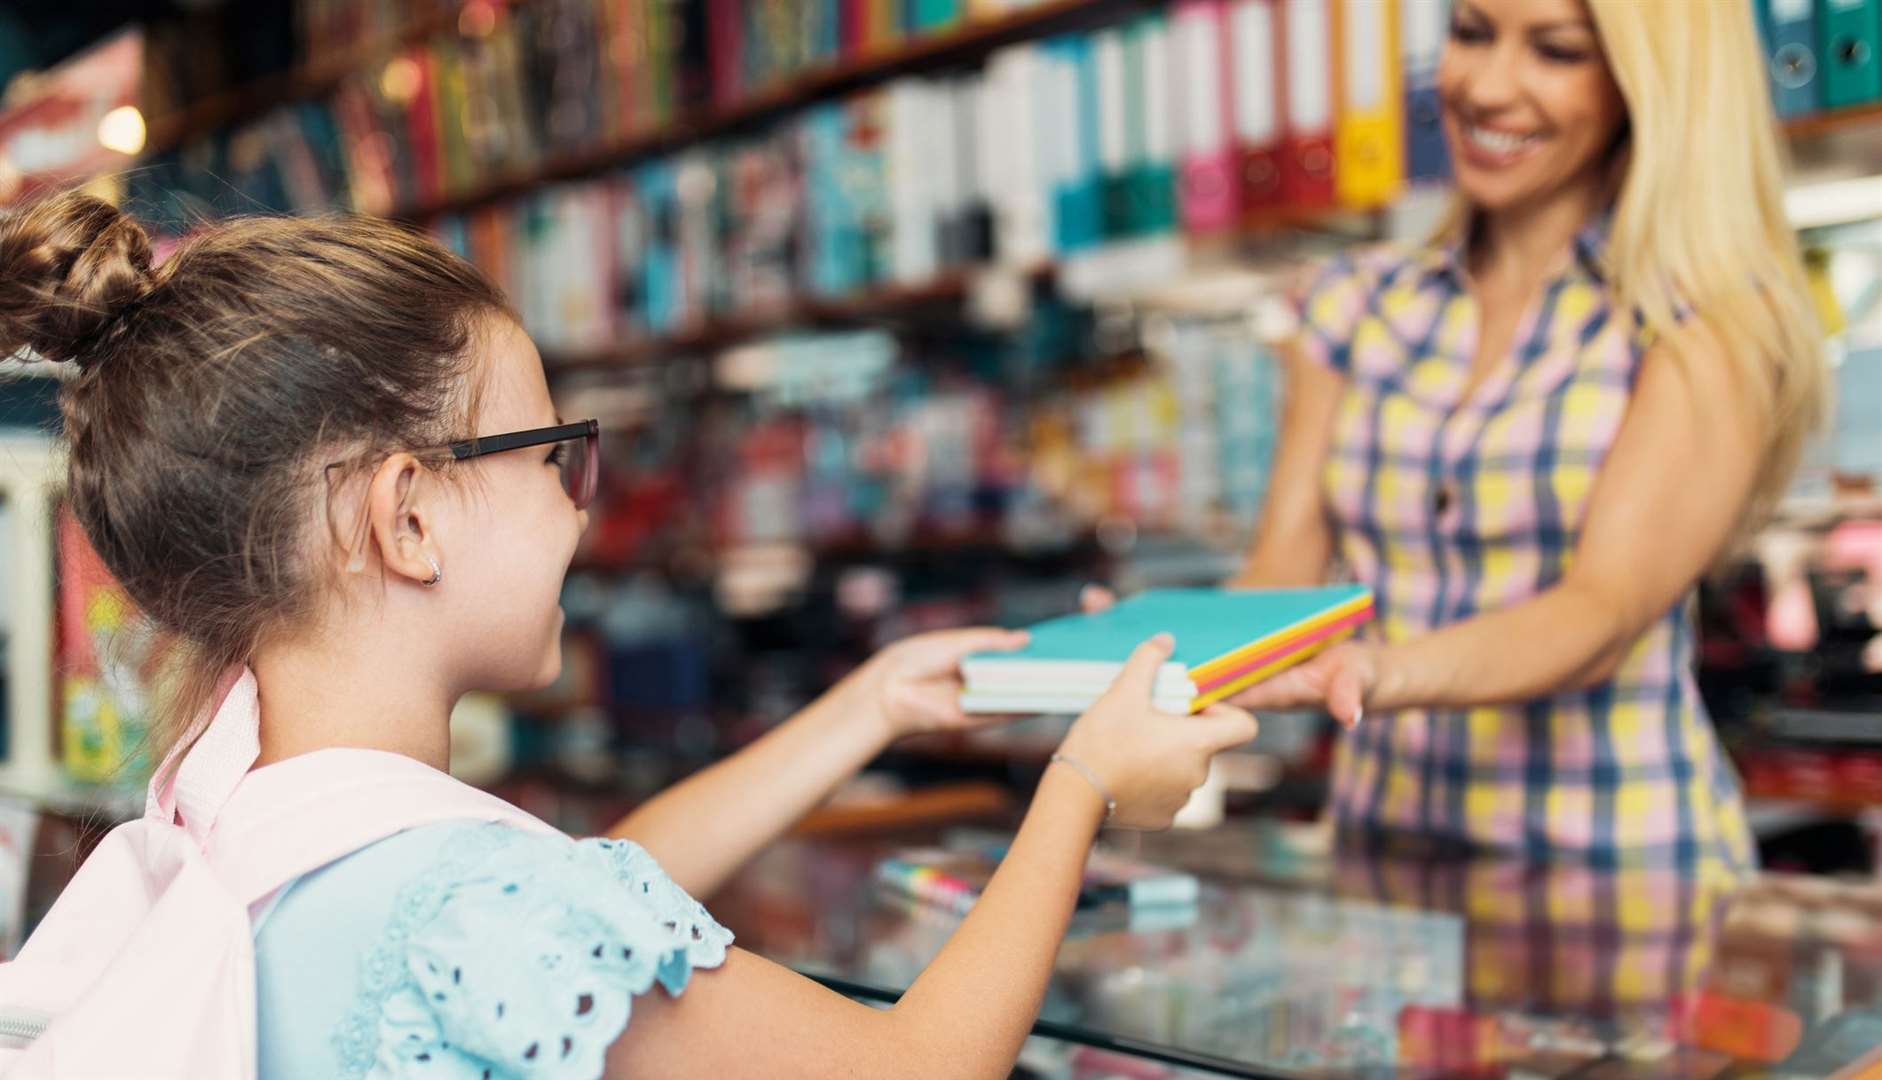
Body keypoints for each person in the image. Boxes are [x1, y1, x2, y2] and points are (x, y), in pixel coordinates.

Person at [0, 192, 1256, 1079]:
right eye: (550, 456)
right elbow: (917, 1067)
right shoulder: (469, 897)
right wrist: (1084, 780)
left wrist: (865, 707)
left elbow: (590, 896)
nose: (574, 508)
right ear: (410, 514)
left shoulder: (247, 825)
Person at [1093, 0, 1824, 877]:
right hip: (1387, 860)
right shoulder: (1352, 305)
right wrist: (1160, 646)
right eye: (1472, 32)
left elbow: (1602, 612)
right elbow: (1281, 568)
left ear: (1645, 84)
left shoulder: (1702, 321)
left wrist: (1376, 671)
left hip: (1621, 865)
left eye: (1554, 51)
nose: (1485, 86)